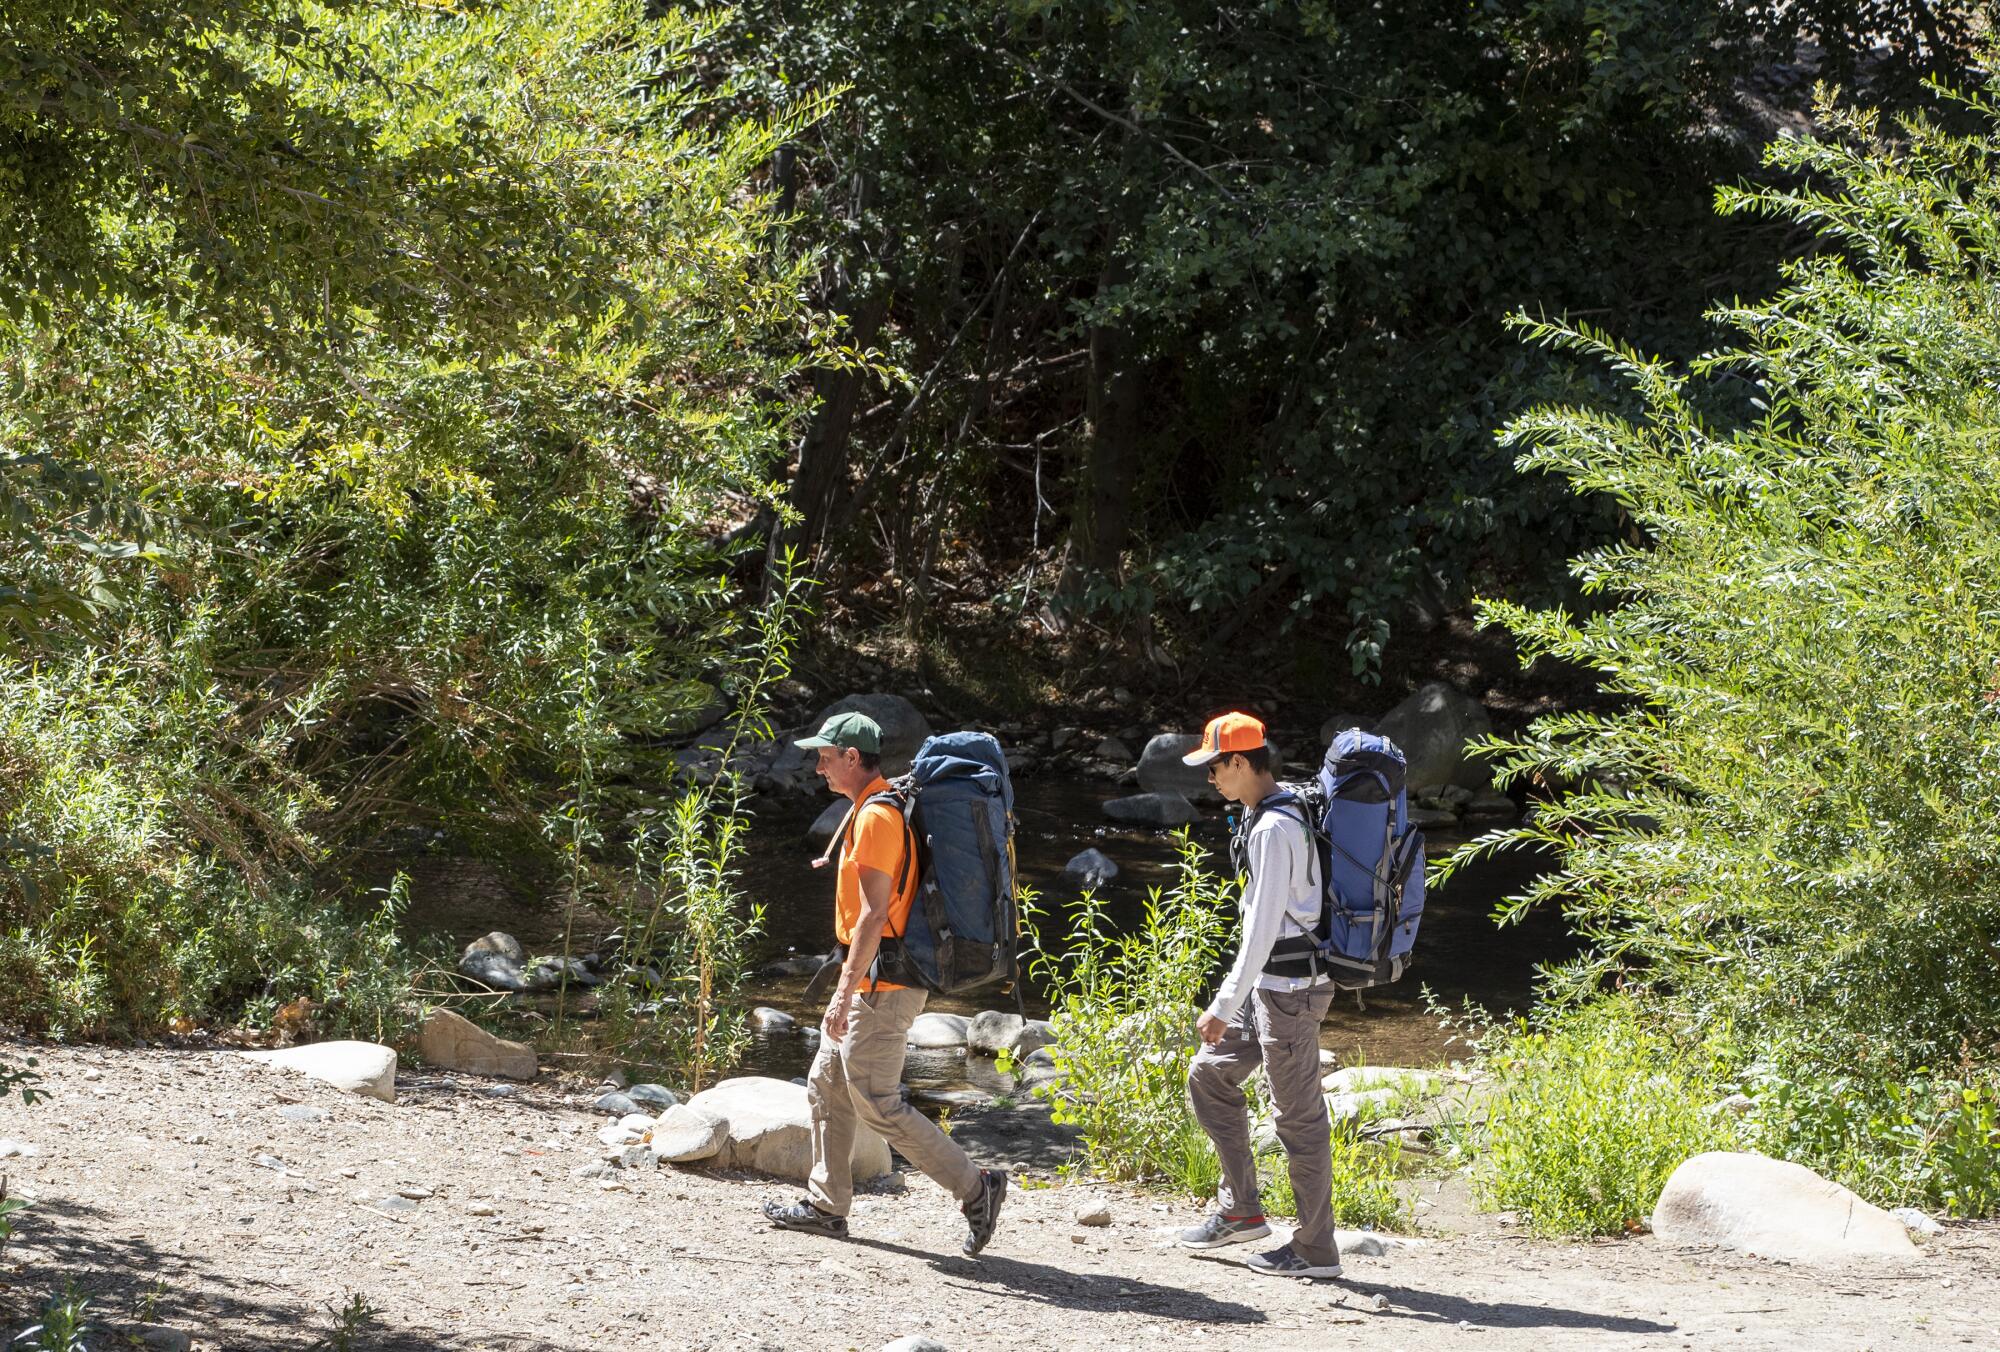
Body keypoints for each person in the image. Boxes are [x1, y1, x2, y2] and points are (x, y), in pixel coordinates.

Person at [761, 710, 1007, 1255]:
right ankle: (826, 1206)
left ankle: (977, 1187)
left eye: (826, 755)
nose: (819, 765)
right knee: (827, 1085)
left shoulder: (876, 818)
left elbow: (874, 915)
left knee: (877, 1102)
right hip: (868, 977)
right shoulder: (869, 809)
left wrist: (844, 994)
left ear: (853, 758)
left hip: (881, 986)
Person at [1177, 711, 1343, 1279]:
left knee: (1298, 1119)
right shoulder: (1268, 811)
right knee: (1209, 1074)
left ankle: (1316, 1248)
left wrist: (1223, 1005)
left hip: (1291, 991)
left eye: (1216, 767)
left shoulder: (1273, 828)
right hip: (1270, 988)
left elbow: (1263, 927)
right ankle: (1243, 1210)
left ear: (1242, 763)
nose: (1212, 779)